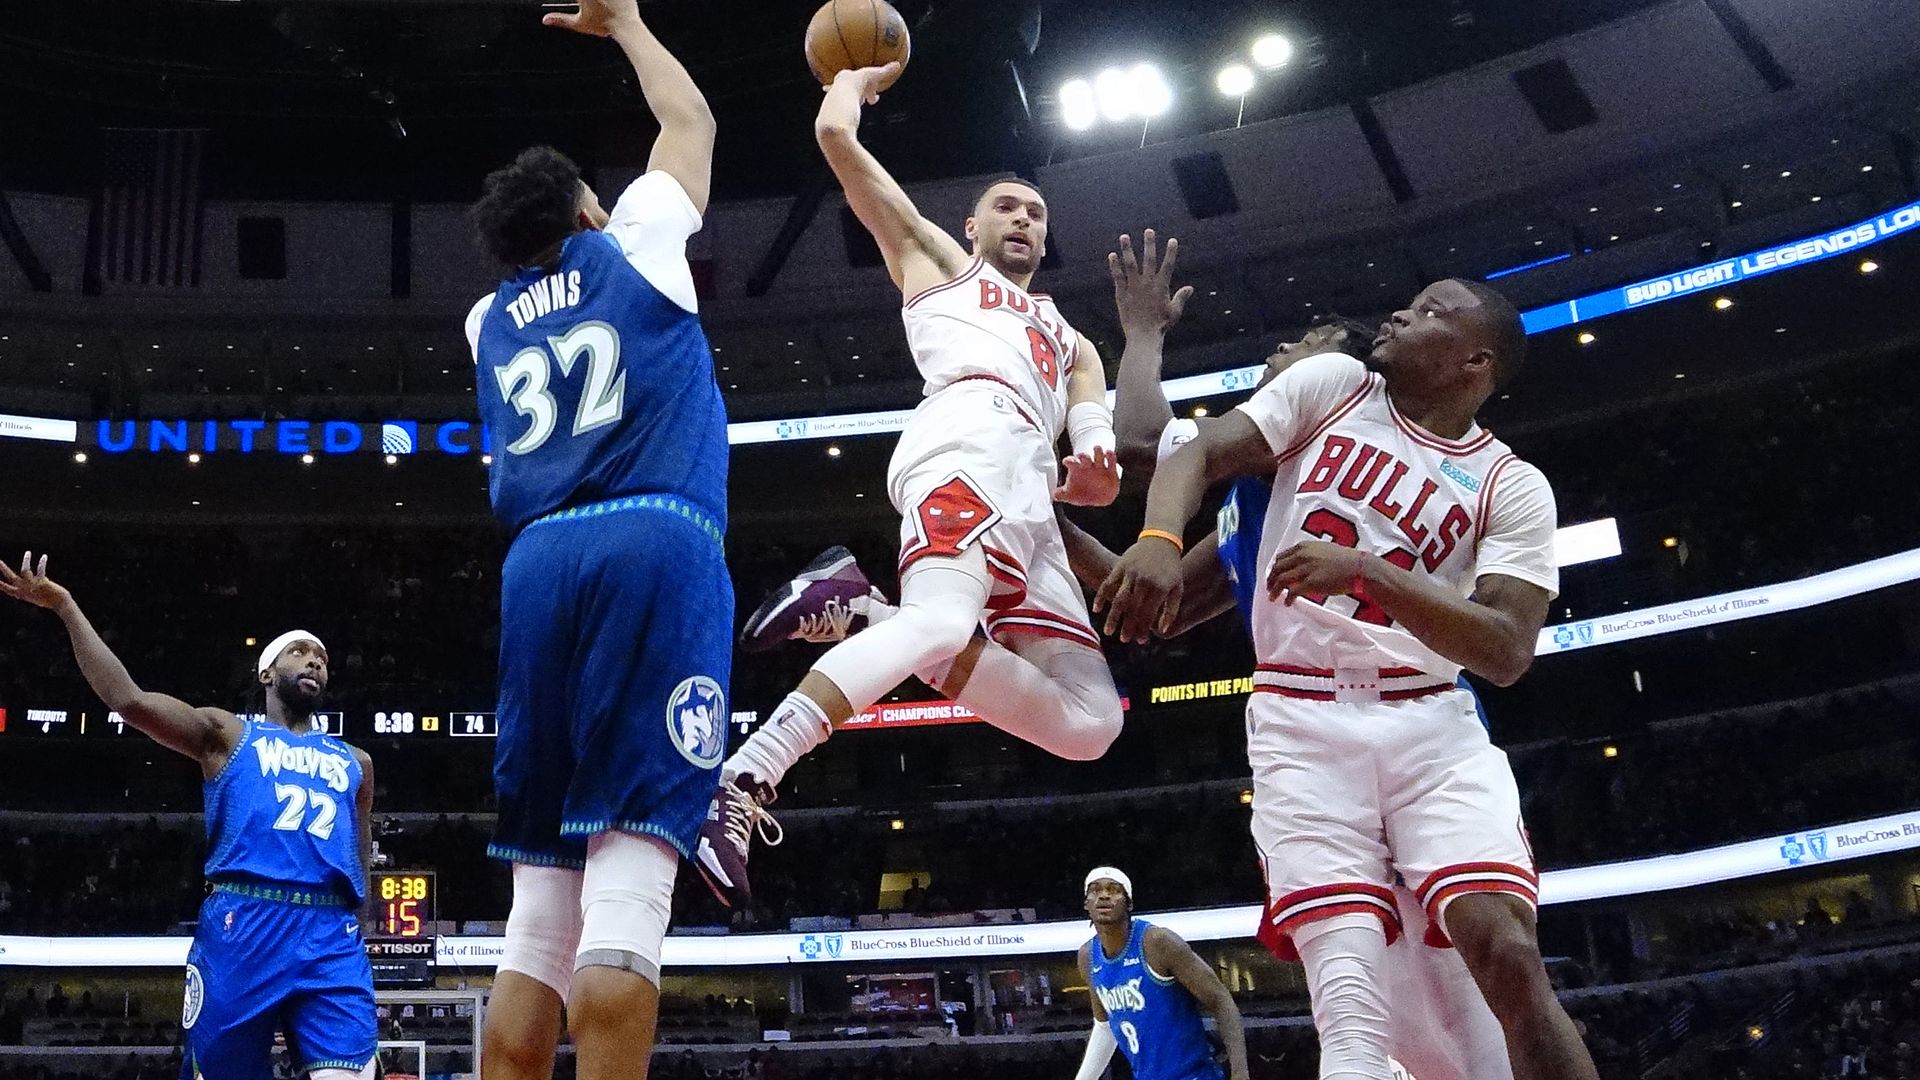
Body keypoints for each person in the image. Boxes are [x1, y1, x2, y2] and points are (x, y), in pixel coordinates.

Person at [1099, 274, 1598, 1079]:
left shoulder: (1512, 485)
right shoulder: (1332, 388)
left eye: (1434, 310)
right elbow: (1182, 450)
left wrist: (1368, 571)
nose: (1403, 311)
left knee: (1507, 951)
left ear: (1475, 363)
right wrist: (1156, 535)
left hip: (1429, 721)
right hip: (1301, 715)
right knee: (1352, 996)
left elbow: (1507, 650)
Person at [701, 61, 1126, 911]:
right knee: (941, 622)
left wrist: (1095, 456)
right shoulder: (939, 263)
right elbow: (834, 140)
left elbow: (1095, 443)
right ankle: (746, 773)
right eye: (1007, 207)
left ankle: (865, 615)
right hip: (966, 442)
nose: (1024, 220)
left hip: (1032, 498)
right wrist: (853, 80)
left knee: (1090, 725)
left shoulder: (1070, 337)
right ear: (971, 226)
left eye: (1037, 214)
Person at [462, 0, 728, 1075]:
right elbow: (693, 123)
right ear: (586, 208)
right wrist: (626, 24)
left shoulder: (485, 322)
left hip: (537, 565)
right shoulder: (636, 243)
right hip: (650, 542)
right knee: (631, 878)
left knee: (539, 911)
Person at [0, 553, 377, 1080]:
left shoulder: (356, 762)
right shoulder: (228, 734)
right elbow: (129, 700)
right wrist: (66, 606)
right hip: (245, 921)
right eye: (299, 652)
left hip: (329, 933)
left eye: (322, 657)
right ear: (266, 672)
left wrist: (358, 922)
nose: (315, 661)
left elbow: (360, 852)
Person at [1076, 867, 1248, 1080]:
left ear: (1129, 903)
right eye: (1095, 890)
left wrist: (1240, 1073)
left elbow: (1220, 999)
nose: (1103, 895)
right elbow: (1104, 1027)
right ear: (1086, 903)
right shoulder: (1087, 957)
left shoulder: (1157, 942)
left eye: (1114, 889)